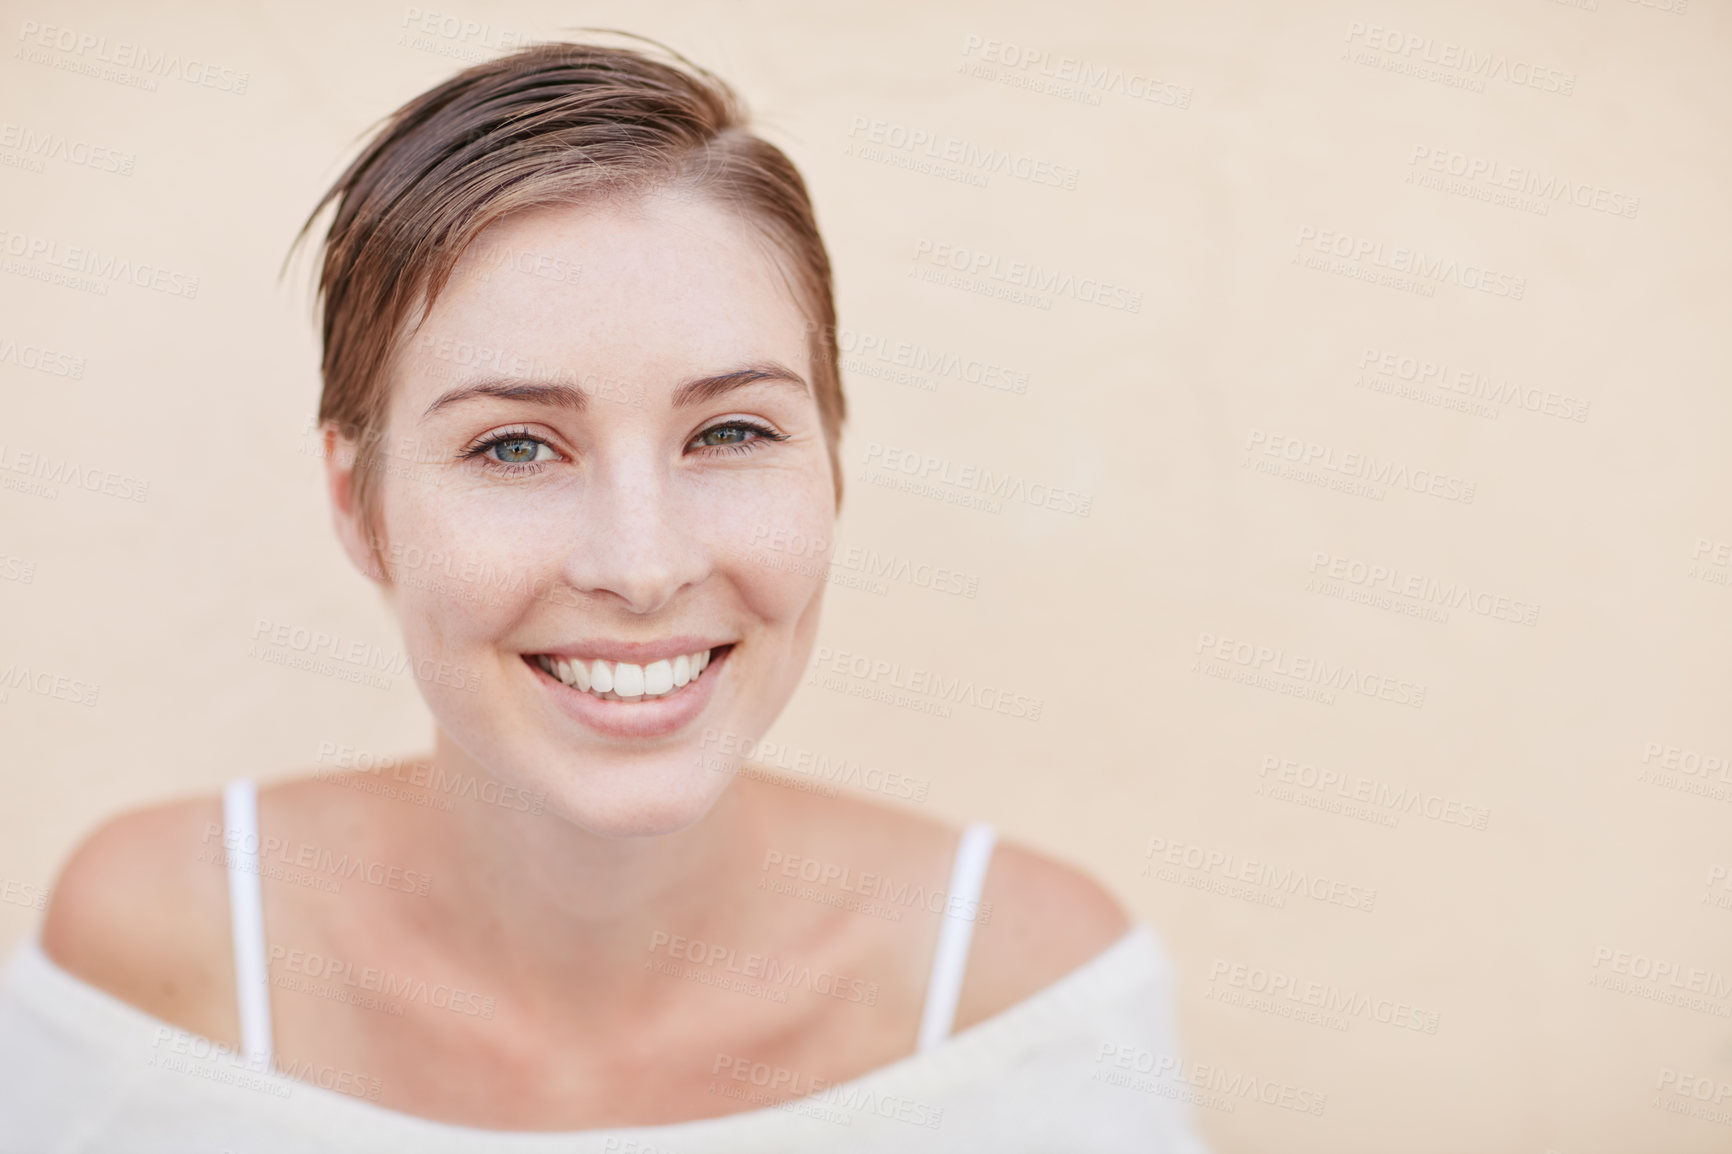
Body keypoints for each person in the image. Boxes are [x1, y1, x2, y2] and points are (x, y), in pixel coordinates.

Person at [0, 39, 1207, 1151]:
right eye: (515, 446)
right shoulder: (158, 951)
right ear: (355, 501)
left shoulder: (1031, 994)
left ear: (834, 466)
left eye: (730, 430)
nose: (641, 564)